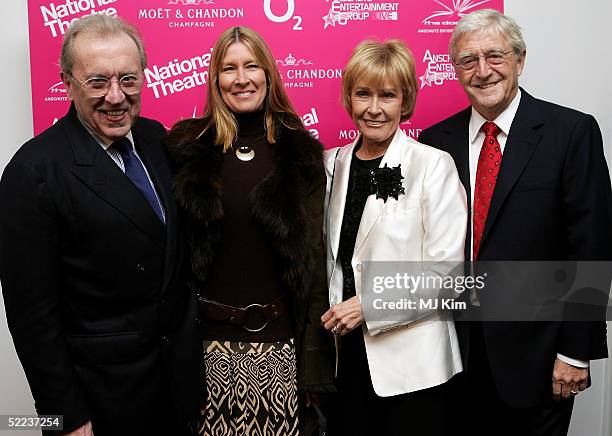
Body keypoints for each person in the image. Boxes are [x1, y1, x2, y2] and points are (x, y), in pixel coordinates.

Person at [0, 15, 200, 436]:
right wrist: (66, 417)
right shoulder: (34, 171)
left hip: (174, 389)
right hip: (100, 402)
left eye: (128, 80)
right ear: (67, 83)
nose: (116, 97)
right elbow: (32, 315)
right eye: (97, 82)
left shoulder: (156, 140)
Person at [419, 9, 612, 436]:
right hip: (454, 358)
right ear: (455, 70)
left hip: (540, 359)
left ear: (520, 60)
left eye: (495, 56)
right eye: (468, 60)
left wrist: (576, 352)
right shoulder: (436, 142)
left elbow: (592, 246)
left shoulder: (571, 133)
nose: (483, 71)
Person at [165, 26, 333, 436]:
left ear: (269, 73)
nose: (241, 79)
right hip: (202, 351)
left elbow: (314, 267)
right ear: (215, 78)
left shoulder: (301, 155)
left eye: (251, 66)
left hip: (281, 350)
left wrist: (311, 367)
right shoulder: (185, 148)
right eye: (229, 68)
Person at [321, 39, 467, 436]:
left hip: (414, 368)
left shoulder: (432, 165)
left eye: (387, 95)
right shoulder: (330, 163)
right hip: (343, 359)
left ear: (405, 101)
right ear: (349, 98)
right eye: (363, 94)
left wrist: (368, 305)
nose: (374, 108)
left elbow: (447, 276)